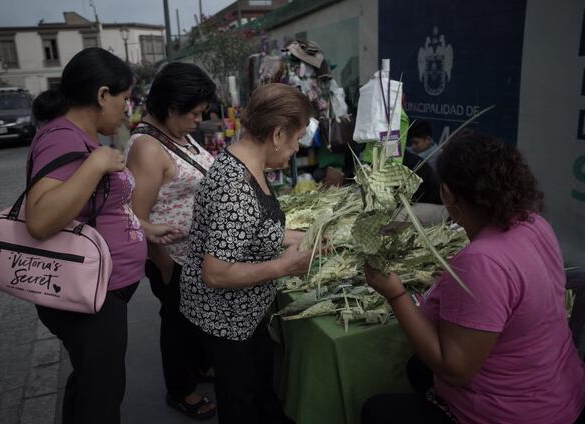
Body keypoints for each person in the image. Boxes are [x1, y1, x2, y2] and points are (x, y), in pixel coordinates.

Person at [362, 131, 585, 424]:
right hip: (561, 392)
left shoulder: (481, 262)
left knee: (377, 410)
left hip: (520, 414)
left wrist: (396, 294)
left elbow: (455, 369)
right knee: (417, 367)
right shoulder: (534, 224)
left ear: (449, 194)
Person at [26, 47, 178, 424]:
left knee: (91, 381)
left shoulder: (77, 136)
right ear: (102, 95)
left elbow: (91, 210)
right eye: (125, 100)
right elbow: (41, 219)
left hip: (99, 291)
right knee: (103, 396)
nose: (127, 110)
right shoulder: (62, 138)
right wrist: (96, 163)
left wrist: (142, 228)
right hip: (90, 295)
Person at [180, 83, 314, 424]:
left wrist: (308, 236)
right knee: (240, 399)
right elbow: (217, 272)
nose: (296, 148)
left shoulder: (246, 163)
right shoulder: (236, 187)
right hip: (225, 319)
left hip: (246, 315)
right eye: (297, 138)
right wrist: (284, 267)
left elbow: (253, 229)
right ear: (278, 133)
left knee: (259, 384)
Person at [125, 62, 218, 420]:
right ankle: (180, 390)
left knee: (192, 319)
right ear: (171, 105)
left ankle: (197, 366)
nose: (200, 118)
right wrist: (163, 264)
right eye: (194, 112)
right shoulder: (148, 147)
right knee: (177, 324)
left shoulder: (176, 133)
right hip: (171, 257)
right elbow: (137, 216)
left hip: (192, 254)